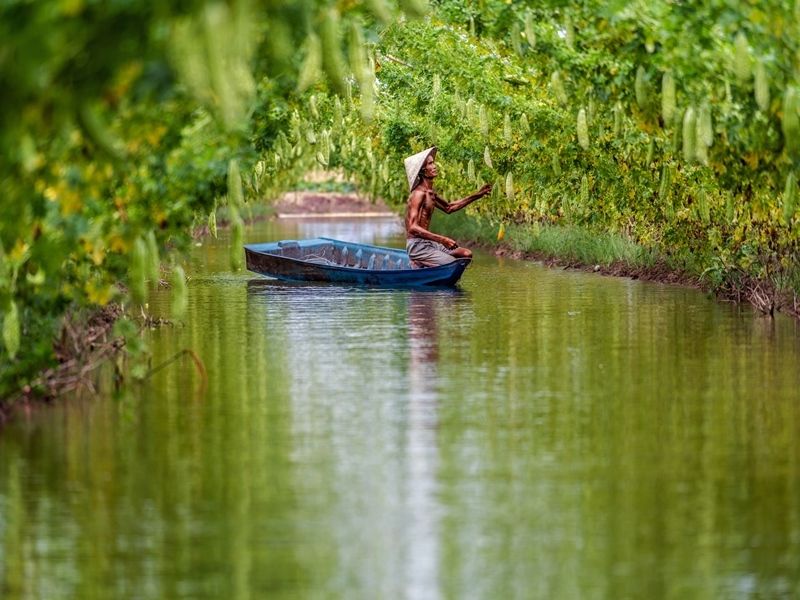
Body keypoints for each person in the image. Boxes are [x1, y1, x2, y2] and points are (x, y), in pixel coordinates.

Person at [403, 146, 492, 268]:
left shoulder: (430, 193)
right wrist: (442, 240)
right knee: (452, 264)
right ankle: (418, 261)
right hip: (417, 245)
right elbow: (413, 228)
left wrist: (477, 195)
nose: (434, 166)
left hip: (429, 243)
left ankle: (426, 263)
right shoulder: (418, 194)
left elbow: (449, 207)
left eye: (433, 163)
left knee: (466, 254)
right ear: (423, 170)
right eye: (430, 164)